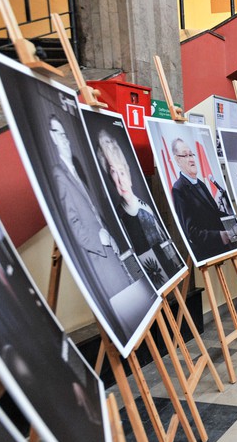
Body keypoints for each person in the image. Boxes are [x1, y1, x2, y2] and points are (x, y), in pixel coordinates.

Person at [46, 115, 130, 305]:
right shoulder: (59, 175)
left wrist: (109, 237)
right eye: (58, 133)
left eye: (64, 133)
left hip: (108, 249)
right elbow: (71, 223)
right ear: (52, 137)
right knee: (123, 304)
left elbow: (92, 212)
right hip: (98, 256)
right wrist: (99, 241)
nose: (65, 138)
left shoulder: (72, 171)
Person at [96, 129, 178, 283]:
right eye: (113, 172)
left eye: (122, 172)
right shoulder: (118, 216)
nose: (120, 180)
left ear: (128, 171)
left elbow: (165, 244)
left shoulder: (146, 208)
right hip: (145, 280)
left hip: (166, 272)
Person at [170, 137, 237, 259]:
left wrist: (235, 221)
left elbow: (214, 213)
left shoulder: (201, 183)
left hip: (220, 249)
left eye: (192, 154)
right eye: (186, 156)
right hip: (206, 254)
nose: (191, 159)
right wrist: (221, 236)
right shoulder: (179, 189)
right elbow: (191, 232)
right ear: (177, 160)